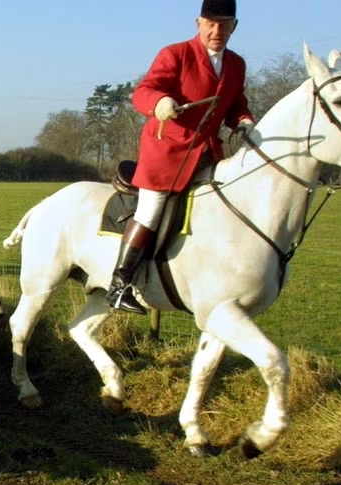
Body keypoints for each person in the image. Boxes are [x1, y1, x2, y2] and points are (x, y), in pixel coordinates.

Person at [105, 0, 255, 313]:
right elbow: (144, 90)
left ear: (235, 26)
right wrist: (159, 102)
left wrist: (243, 120)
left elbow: (236, 103)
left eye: (224, 24)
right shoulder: (175, 53)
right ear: (198, 22)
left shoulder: (236, 64)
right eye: (211, 23)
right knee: (151, 209)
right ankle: (120, 284)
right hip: (167, 152)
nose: (217, 31)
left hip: (207, 154)